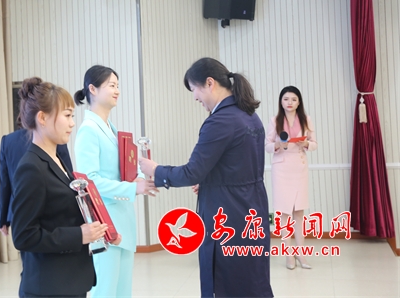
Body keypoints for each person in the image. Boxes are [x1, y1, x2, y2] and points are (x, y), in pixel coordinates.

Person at [139, 57, 273, 298]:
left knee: (227, 283)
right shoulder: (249, 115)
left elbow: (192, 172)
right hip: (252, 210)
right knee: (252, 280)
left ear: (209, 83)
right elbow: (238, 166)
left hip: (227, 215)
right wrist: (210, 182)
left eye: (194, 89)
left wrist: (156, 171)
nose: (195, 97)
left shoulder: (220, 121)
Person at [10, 77, 109, 298]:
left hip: (69, 281)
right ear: (42, 118)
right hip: (48, 287)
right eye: (67, 115)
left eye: (72, 116)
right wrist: (79, 235)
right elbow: (23, 235)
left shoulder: (58, 160)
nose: (72, 123)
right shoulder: (31, 167)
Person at [73, 65, 158, 298]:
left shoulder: (111, 129)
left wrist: (140, 176)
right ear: (92, 89)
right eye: (111, 85)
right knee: (105, 292)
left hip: (123, 221)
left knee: (122, 293)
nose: (117, 90)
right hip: (105, 222)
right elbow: (89, 182)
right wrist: (133, 187)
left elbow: (124, 169)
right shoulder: (89, 130)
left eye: (117, 86)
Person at [265, 86, 317, 270]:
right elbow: (267, 145)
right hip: (281, 169)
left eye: (294, 99)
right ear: (281, 101)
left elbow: (314, 144)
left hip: (299, 167)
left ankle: (301, 254)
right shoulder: (275, 120)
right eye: (286, 99)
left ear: (299, 102)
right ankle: (288, 254)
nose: (289, 102)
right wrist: (278, 144)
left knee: (299, 212)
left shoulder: (306, 119)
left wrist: (306, 143)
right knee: (284, 213)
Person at [0, 127, 72, 236]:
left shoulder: (7, 141)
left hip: (20, 213)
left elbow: (4, 183)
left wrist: (1, 219)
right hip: (52, 213)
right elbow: (68, 177)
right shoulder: (53, 136)